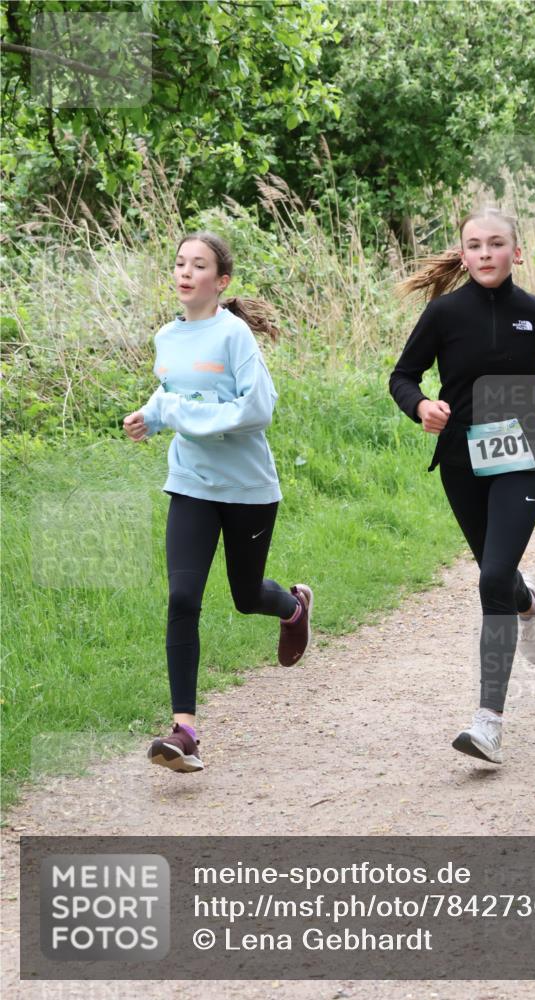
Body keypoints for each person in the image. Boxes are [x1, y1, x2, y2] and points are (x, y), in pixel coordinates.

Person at [389, 207, 535, 764]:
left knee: (492, 576)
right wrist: (422, 406)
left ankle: (488, 721)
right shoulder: (444, 314)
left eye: (495, 244)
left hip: (522, 456)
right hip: (462, 460)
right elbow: (402, 376)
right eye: (473, 245)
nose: (484, 253)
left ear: (515, 253)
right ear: (463, 254)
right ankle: (527, 604)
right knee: (497, 577)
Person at [123, 231, 313, 774]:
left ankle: (293, 605)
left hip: (248, 488)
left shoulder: (234, 337)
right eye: (179, 263)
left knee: (246, 594)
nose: (185, 272)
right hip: (191, 483)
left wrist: (182, 417)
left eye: (198, 265)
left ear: (220, 281)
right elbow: (171, 393)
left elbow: (258, 409)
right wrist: (151, 416)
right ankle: (185, 729)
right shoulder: (167, 337)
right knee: (183, 597)